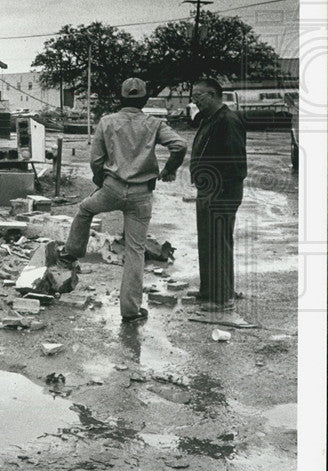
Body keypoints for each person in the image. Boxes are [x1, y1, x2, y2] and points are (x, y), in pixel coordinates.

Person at [56, 78, 187, 322]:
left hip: (112, 188)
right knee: (135, 250)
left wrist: (101, 182)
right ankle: (131, 311)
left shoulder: (107, 121)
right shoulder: (155, 123)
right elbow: (180, 145)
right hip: (141, 195)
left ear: (121, 99)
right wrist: (169, 169)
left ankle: (71, 253)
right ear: (145, 100)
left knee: (85, 210)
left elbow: (95, 160)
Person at [188, 77, 247, 312]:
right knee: (208, 241)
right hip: (209, 190)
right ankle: (209, 290)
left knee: (218, 242)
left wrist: (218, 191)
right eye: (193, 98)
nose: (195, 102)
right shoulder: (210, 119)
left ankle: (222, 298)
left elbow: (235, 163)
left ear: (212, 95)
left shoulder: (228, 120)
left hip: (221, 192)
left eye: (198, 97)